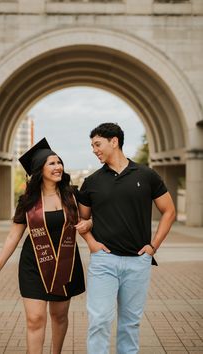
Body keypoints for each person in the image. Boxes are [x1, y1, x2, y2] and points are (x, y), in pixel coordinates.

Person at [77, 123, 176, 354]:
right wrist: (92, 244)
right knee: (99, 321)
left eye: (97, 144)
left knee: (130, 324)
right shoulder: (91, 182)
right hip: (104, 262)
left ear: (114, 141)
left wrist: (153, 246)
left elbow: (169, 211)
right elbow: (82, 221)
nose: (94, 150)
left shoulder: (147, 175)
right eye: (92, 146)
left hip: (138, 262)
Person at [0, 138, 90, 354]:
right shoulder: (28, 199)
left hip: (65, 261)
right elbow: (13, 237)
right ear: (39, 169)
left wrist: (90, 222)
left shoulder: (71, 194)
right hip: (34, 263)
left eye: (59, 162)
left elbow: (90, 218)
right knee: (35, 319)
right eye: (51, 163)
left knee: (59, 316)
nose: (58, 167)